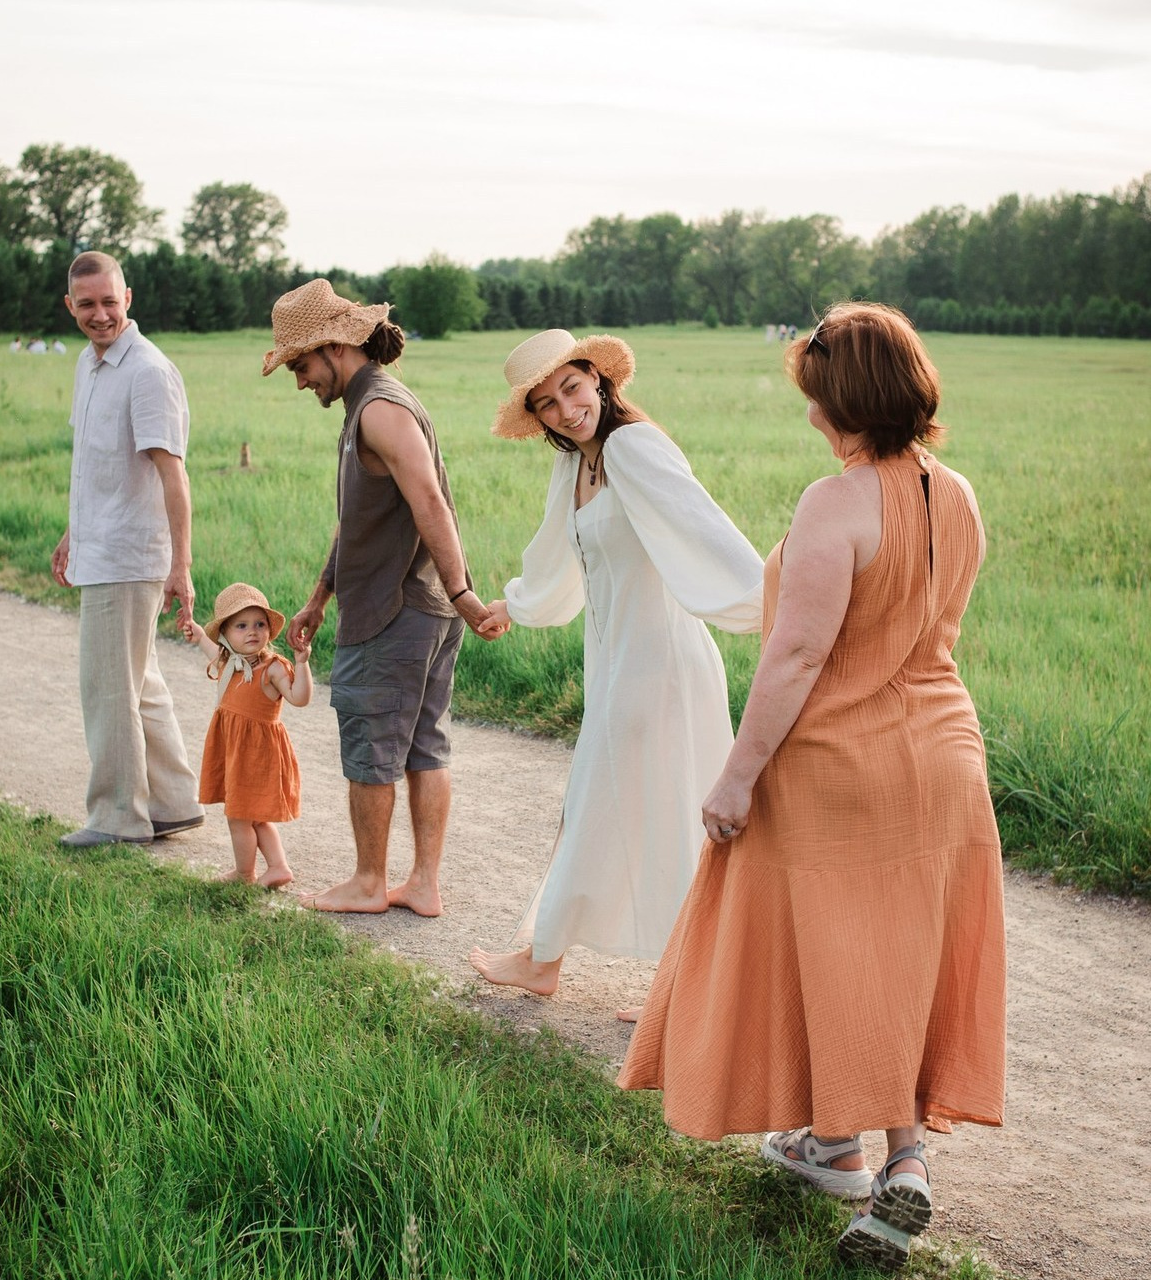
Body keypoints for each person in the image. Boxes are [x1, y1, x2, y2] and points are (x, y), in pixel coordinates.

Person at [619, 302, 1006, 1273]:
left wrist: (735, 773)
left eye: (813, 397)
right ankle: (881, 1155)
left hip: (840, 760)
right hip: (945, 757)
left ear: (839, 401)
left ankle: (847, 1141)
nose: (805, 416)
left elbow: (794, 655)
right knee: (899, 956)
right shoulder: (953, 492)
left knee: (828, 953)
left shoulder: (833, 502)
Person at [467, 329, 764, 1016]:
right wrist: (511, 605)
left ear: (598, 379)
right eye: (546, 404)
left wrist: (776, 606)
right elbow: (558, 558)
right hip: (615, 661)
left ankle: (555, 960)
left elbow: (706, 530)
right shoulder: (577, 465)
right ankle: (662, 976)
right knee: (627, 811)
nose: (567, 410)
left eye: (572, 389)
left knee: (626, 809)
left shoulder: (633, 446)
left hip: (659, 666)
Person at [262, 279, 505, 916]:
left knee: (373, 741)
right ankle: (421, 885)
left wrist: (464, 592)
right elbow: (357, 516)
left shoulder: (378, 408)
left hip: (397, 611)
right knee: (424, 743)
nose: (298, 380)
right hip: (419, 608)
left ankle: (370, 882)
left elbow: (429, 500)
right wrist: (319, 596)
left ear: (334, 346)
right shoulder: (367, 406)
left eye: (301, 364)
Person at [51, 250, 204, 847]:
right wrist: (73, 533)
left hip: (129, 556)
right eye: (86, 304)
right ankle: (170, 802)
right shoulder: (91, 367)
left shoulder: (146, 371)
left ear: (128, 299)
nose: (100, 314)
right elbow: (97, 466)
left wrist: (181, 567)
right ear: (70, 306)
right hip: (100, 545)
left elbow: (174, 476)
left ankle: (118, 817)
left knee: (109, 687)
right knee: (137, 682)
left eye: (109, 301)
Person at [182, 582, 312, 888]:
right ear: (226, 635)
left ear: (269, 629)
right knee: (252, 817)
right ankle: (278, 867)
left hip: (257, 755)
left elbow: (300, 698)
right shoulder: (229, 663)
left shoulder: (272, 668)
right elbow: (212, 650)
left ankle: (244, 875)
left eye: (259, 624)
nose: (252, 631)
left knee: (239, 817)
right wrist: (199, 633)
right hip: (237, 753)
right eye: (241, 626)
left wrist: (302, 663)